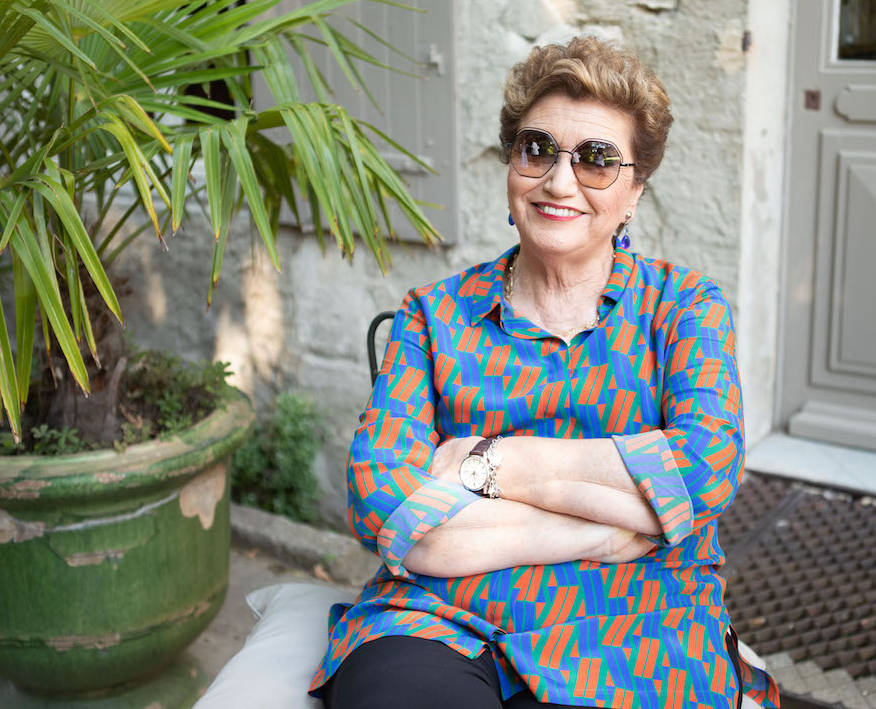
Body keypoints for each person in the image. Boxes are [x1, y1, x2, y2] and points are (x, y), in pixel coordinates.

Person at [308, 36, 780, 709]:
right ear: (512, 166)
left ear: (634, 192)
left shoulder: (682, 307)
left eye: (596, 160)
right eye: (538, 150)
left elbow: (703, 471)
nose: (559, 182)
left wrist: (493, 464)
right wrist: (606, 528)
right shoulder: (434, 315)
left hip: (638, 626)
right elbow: (381, 503)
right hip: (437, 618)